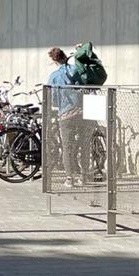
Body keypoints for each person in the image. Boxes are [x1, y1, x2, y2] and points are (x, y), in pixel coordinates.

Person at [47, 45, 88, 185]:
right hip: (82, 112)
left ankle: (69, 178)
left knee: (67, 147)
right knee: (84, 144)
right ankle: (84, 176)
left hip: (65, 115)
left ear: (54, 61)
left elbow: (52, 99)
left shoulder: (53, 77)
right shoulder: (75, 70)